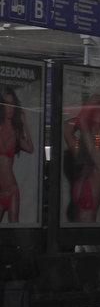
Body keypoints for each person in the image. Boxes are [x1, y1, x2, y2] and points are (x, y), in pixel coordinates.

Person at [63, 85, 100, 223]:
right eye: (93, 124)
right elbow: (67, 128)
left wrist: (95, 99)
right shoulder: (82, 154)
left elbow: (83, 125)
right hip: (76, 235)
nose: (96, 130)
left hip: (89, 236)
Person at [0, 86, 34, 224]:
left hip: (12, 190)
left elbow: (30, 148)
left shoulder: (15, 131)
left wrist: (25, 123)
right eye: (6, 104)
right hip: (1, 191)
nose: (10, 108)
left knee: (14, 230)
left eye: (12, 104)